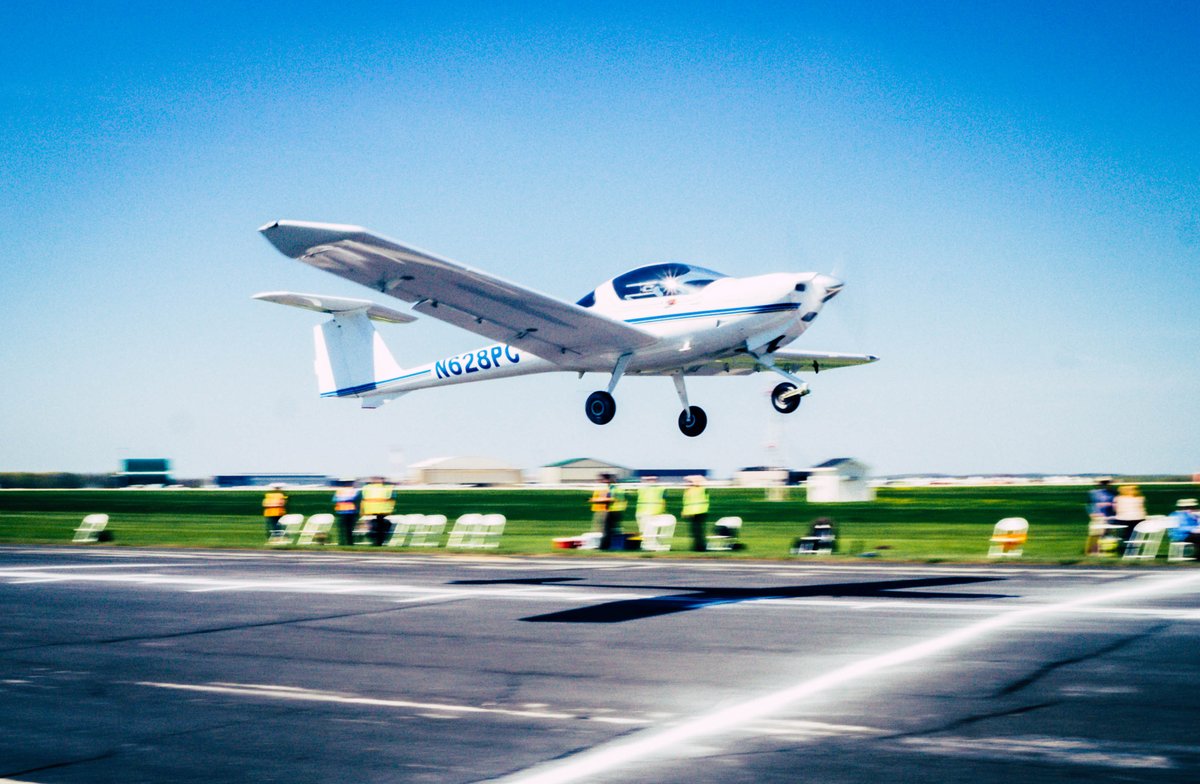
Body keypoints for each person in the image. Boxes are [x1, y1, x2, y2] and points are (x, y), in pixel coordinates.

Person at [359, 477, 396, 546]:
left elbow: (363, 499)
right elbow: (393, 498)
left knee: (374, 526)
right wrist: (391, 509)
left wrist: (362, 511)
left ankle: (375, 541)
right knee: (381, 527)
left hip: (370, 510)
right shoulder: (388, 488)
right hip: (383, 510)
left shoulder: (367, 488)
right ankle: (379, 541)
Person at [1112, 484, 1146, 552]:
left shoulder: (1118, 498)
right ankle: (1132, 546)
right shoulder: (1140, 498)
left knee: (1124, 532)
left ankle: (1124, 546)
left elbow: (1115, 509)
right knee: (1133, 533)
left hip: (1123, 519)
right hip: (1139, 519)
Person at [682, 475, 710, 552]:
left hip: (698, 512)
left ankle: (701, 547)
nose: (687, 483)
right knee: (695, 532)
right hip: (693, 512)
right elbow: (687, 502)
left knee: (698, 532)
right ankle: (697, 546)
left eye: (689, 482)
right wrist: (685, 511)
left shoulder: (699, 489)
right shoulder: (688, 490)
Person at [332, 478, 360, 546]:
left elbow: (355, 498)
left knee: (349, 528)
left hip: (350, 511)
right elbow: (335, 499)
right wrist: (347, 499)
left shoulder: (353, 490)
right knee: (343, 528)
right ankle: (342, 542)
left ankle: (349, 542)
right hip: (343, 511)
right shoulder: (341, 490)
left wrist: (343, 499)